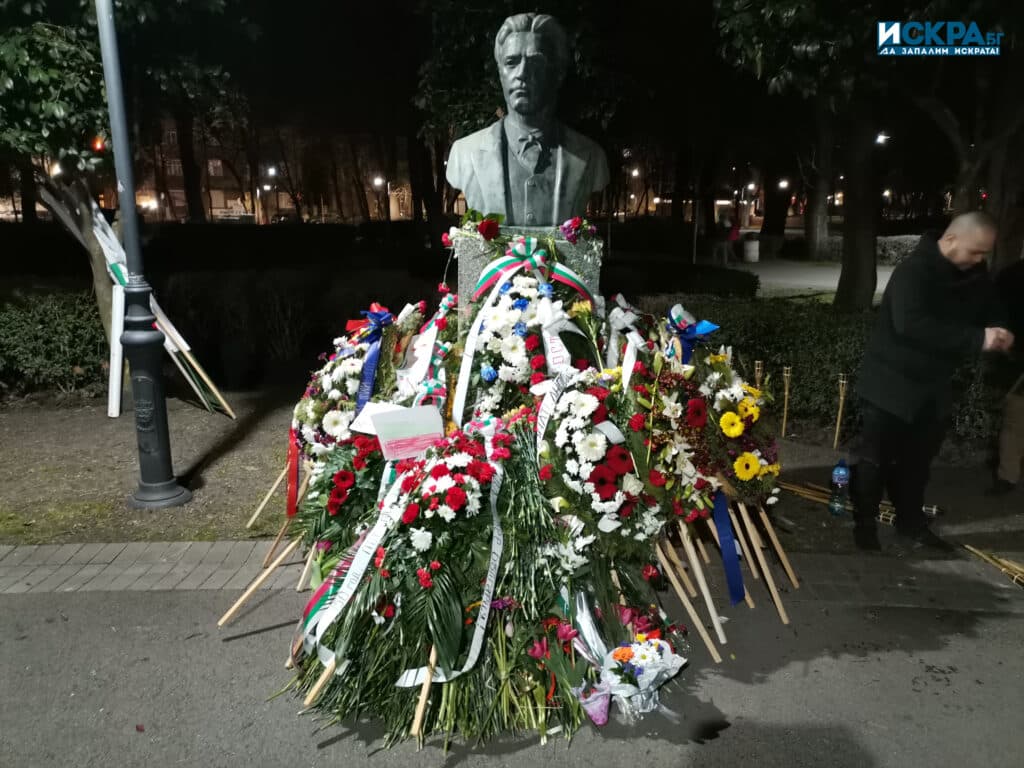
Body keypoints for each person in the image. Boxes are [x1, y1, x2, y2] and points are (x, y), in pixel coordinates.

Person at [851, 212, 1015, 551]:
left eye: (984, 254)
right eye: (975, 251)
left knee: (918, 463)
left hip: (934, 388)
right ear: (951, 239)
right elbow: (911, 326)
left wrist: (1000, 328)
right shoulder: (913, 271)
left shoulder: (974, 275)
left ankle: (911, 523)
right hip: (890, 385)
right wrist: (977, 339)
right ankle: (865, 526)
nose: (979, 259)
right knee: (874, 460)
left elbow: (992, 306)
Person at [445, 13, 609, 226]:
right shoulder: (464, 153)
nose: (522, 73)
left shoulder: (591, 156)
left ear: (558, 74)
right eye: (511, 62)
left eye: (536, 62)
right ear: (501, 73)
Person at [988, 257, 1024, 495]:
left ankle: (1008, 476)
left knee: (1015, 418)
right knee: (1015, 416)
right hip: (1016, 356)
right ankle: (1007, 475)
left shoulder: (1010, 274)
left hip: (1015, 356)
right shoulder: (1011, 276)